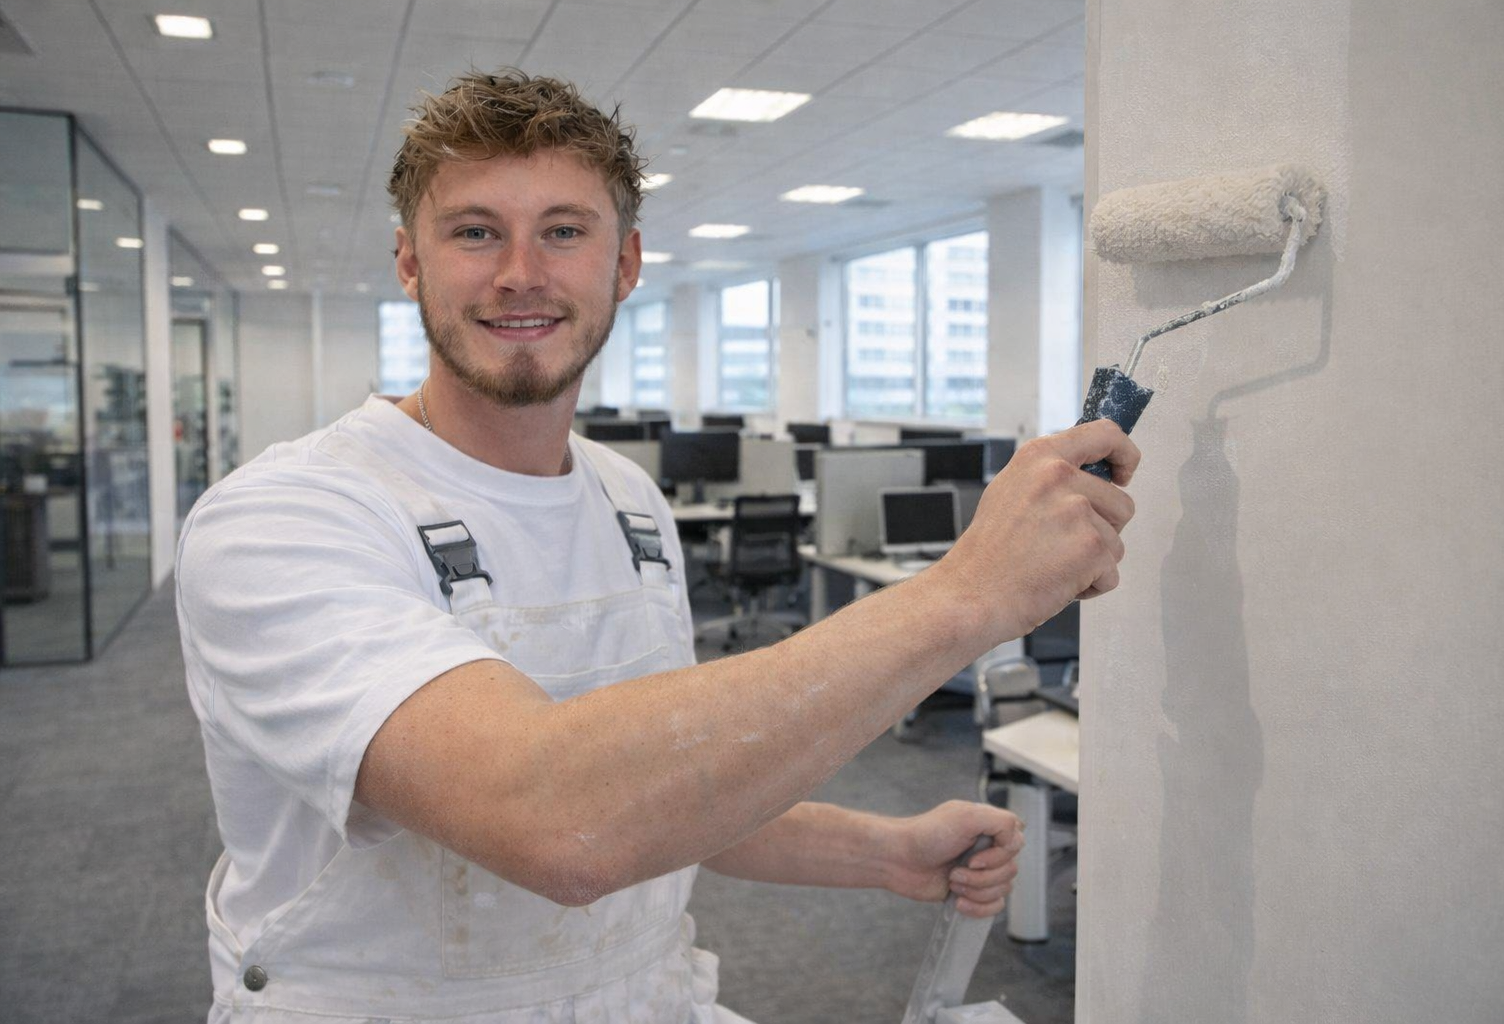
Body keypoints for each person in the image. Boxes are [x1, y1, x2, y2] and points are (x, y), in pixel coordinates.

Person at [175, 69, 1139, 1024]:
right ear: (409, 263)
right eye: (474, 231)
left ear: (625, 263)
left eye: (564, 230)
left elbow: (670, 790)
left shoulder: (627, 500)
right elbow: (562, 822)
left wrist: (882, 850)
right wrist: (965, 593)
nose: (520, 271)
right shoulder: (285, 517)